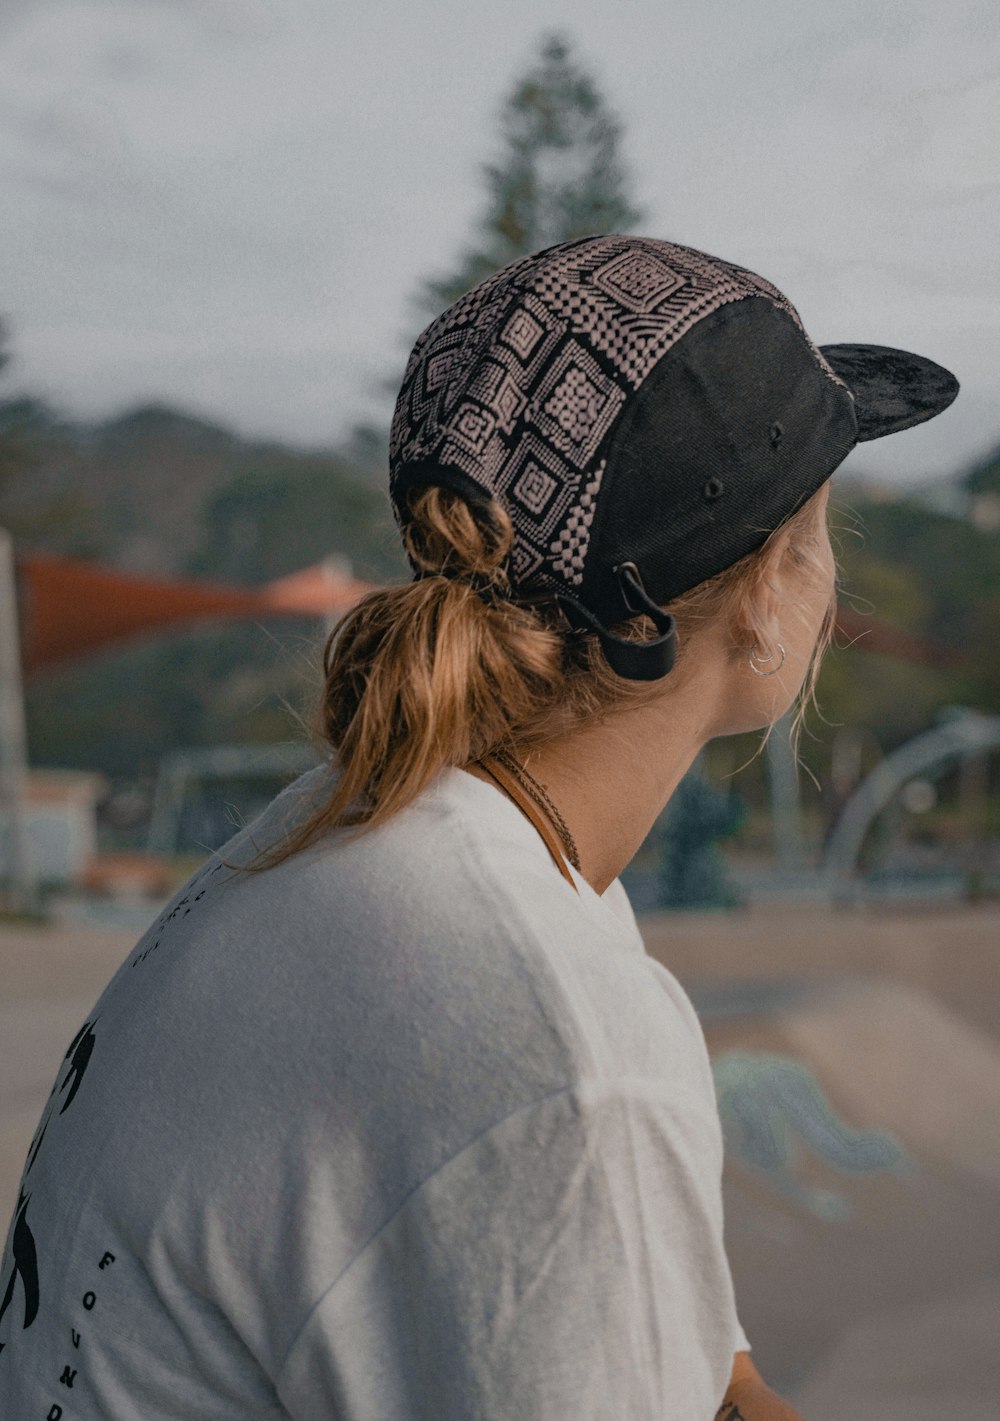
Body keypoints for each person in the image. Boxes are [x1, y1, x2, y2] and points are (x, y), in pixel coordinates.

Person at [0, 235, 958, 1420]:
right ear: (764, 601)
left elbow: (712, 1378)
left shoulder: (363, 827)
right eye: (820, 531)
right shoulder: (553, 1048)